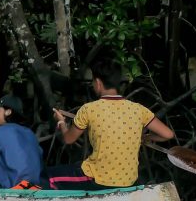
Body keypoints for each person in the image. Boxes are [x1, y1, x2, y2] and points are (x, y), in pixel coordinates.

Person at [49, 58, 175, 189]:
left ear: (98, 83)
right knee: (78, 166)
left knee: (49, 177)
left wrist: (61, 122)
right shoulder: (139, 109)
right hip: (128, 180)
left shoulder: (89, 109)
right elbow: (168, 134)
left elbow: (68, 139)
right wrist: (146, 138)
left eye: (93, 81)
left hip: (98, 179)